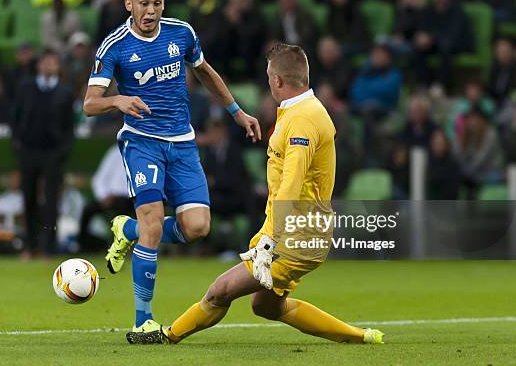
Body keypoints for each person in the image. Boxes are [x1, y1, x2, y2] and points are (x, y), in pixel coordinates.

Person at [125, 42, 384, 345]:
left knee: (220, 291)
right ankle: (360, 337)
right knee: (265, 306)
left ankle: (168, 335)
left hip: (294, 235)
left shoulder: (303, 120)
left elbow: (292, 184)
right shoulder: (303, 111)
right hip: (294, 229)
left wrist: (269, 241)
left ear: (276, 80)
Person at [82, 0, 261, 339]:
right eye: (144, 3)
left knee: (198, 228)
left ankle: (126, 229)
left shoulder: (182, 33)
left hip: (182, 143)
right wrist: (117, 98)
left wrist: (237, 112)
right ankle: (142, 319)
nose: (151, 11)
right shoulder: (113, 45)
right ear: (128, 4)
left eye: (158, 3)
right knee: (153, 222)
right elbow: (89, 105)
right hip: (141, 142)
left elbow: (206, 73)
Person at [11, 50, 74, 258]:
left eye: (52, 62)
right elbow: (15, 117)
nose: (48, 66)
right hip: (28, 151)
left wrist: (62, 152)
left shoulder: (65, 92)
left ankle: (49, 247)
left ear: (57, 66)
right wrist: (17, 145)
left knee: (51, 202)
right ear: (39, 66)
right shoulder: (25, 87)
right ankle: (30, 246)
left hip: (52, 153)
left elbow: (69, 127)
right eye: (45, 62)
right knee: (28, 198)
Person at [412, 0, 472, 88]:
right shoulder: (428, 9)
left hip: (457, 43)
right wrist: (421, 36)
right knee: (417, 47)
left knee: (446, 47)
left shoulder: (456, 9)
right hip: (435, 43)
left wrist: (431, 38)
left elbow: (454, 33)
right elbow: (422, 28)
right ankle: (422, 84)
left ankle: (440, 85)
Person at [78, 145, 133, 251]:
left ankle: (119, 248)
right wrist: (103, 196)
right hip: (108, 196)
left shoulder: (142, 152)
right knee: (88, 209)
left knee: (123, 208)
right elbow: (99, 178)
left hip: (129, 197)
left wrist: (120, 194)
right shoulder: (114, 152)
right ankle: (83, 245)